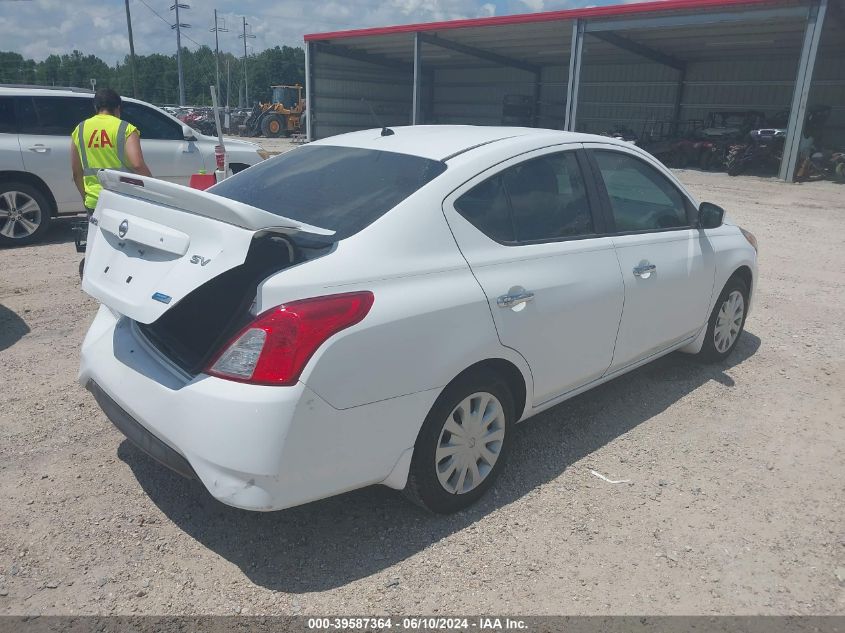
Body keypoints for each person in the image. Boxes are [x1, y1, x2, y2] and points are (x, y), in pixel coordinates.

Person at [70, 88, 151, 215]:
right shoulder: (126, 128)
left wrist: (86, 198)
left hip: (95, 200)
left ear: (96, 107)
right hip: (123, 199)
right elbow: (137, 165)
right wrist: (152, 189)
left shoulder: (79, 129)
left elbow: (76, 173)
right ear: (117, 107)